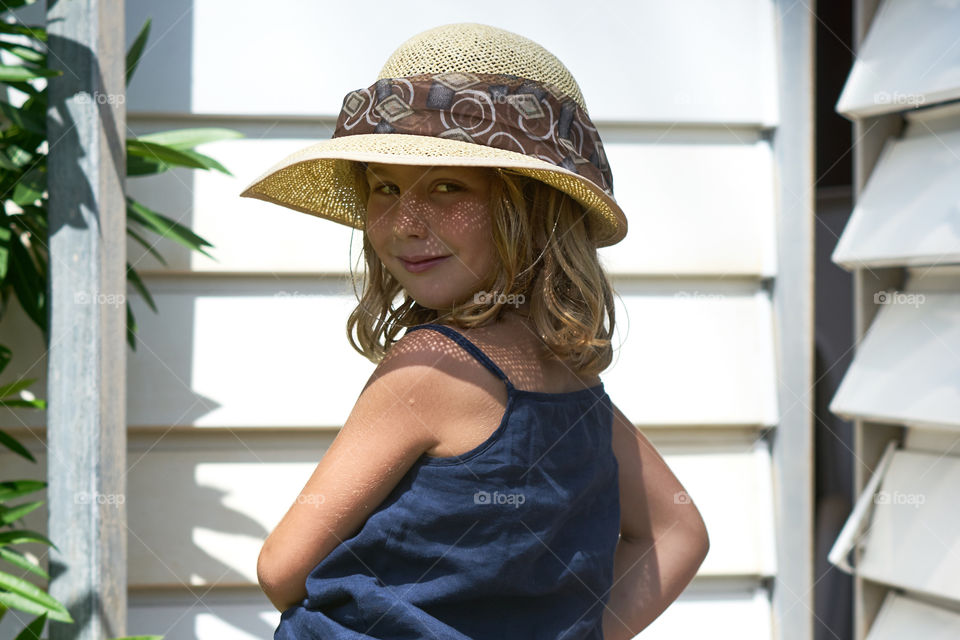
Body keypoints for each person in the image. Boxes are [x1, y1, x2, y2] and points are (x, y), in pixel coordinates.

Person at [240, 22, 709, 640]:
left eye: (446, 186)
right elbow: (678, 533)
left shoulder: (431, 366)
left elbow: (279, 567)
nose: (406, 221)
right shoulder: (565, 377)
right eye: (384, 187)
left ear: (531, 207)